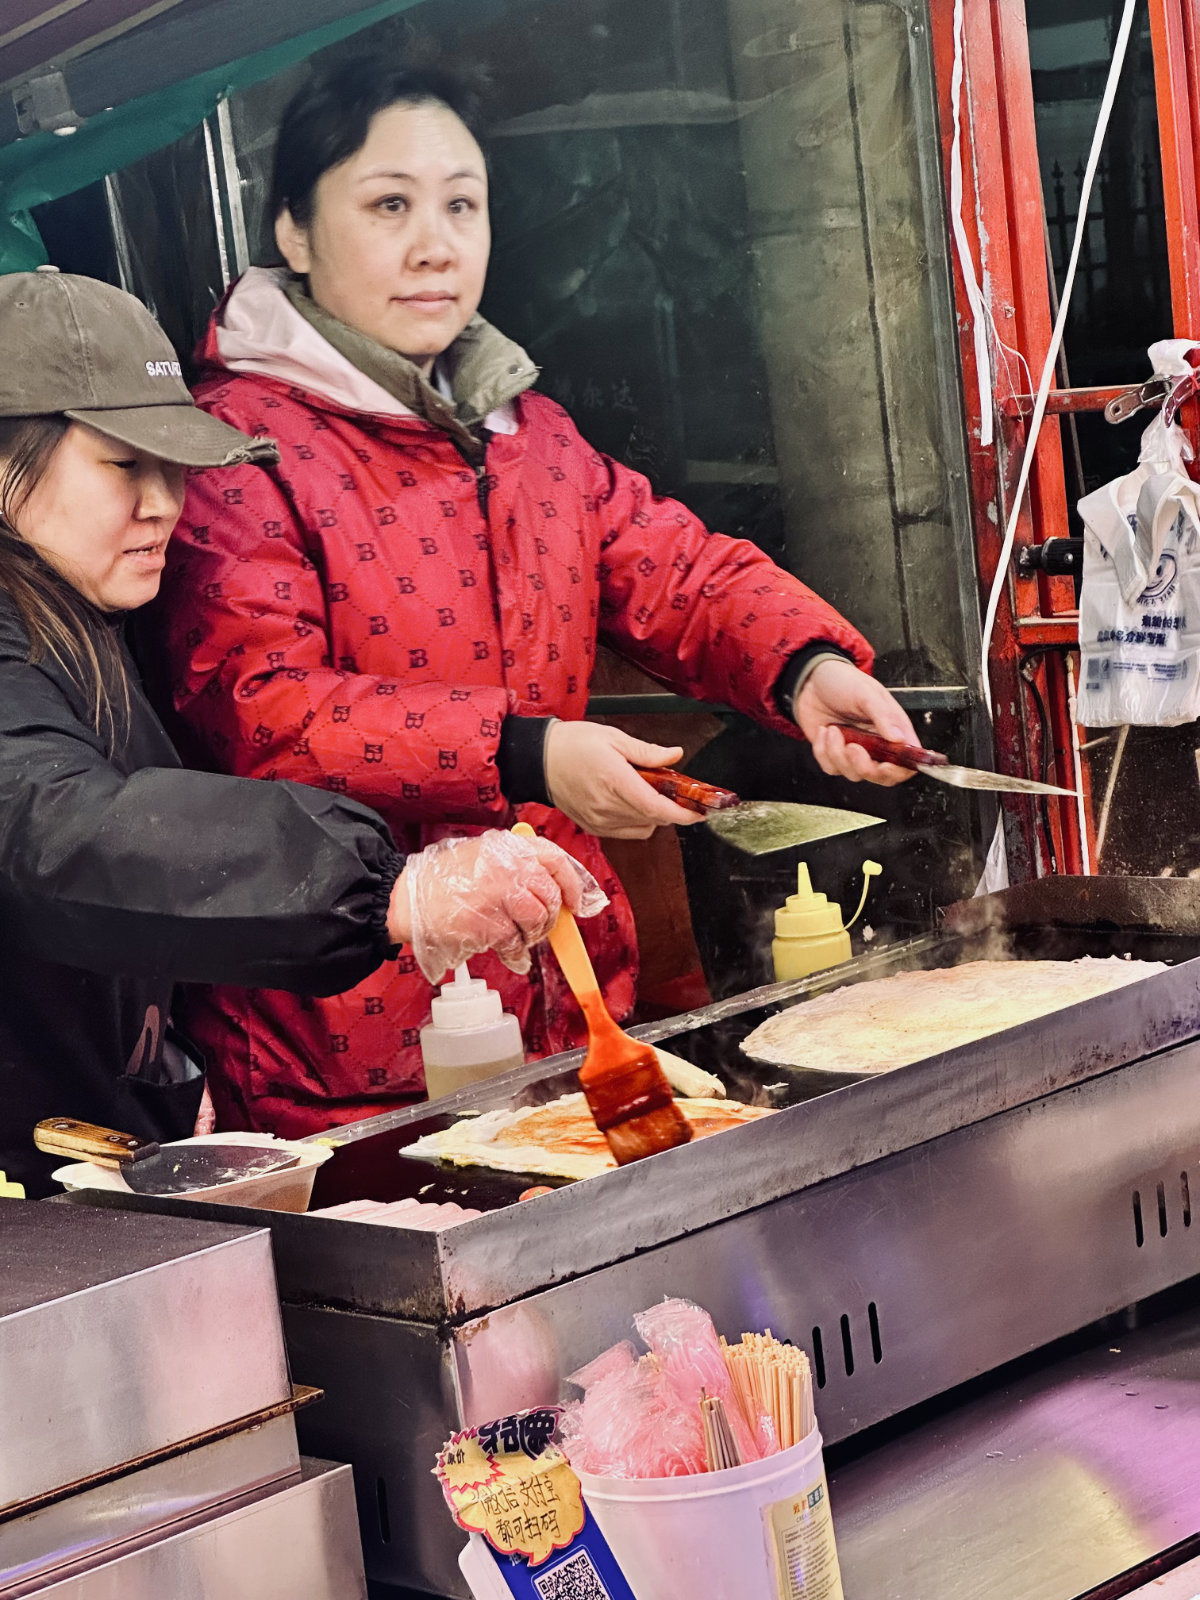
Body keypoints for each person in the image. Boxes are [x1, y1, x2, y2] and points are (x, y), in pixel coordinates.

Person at [148, 58, 920, 1138]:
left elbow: (677, 572)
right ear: (294, 231)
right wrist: (527, 753)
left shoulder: (527, 435)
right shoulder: (241, 453)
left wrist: (806, 667)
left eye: (462, 203)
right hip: (352, 1047)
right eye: (388, 205)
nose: (436, 244)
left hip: (574, 1008)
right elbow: (267, 712)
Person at [0, 267, 600, 1196]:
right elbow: (49, 829)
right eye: (124, 463)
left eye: (174, 464)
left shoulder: (76, 617)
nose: (165, 502)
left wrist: (166, 1075)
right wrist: (381, 888)